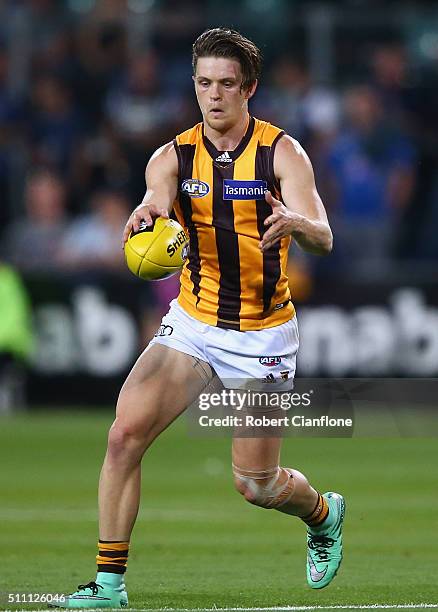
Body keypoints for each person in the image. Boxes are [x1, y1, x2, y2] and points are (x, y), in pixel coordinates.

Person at [56, 28, 343, 609]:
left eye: (227, 85)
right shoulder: (172, 156)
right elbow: (158, 199)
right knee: (123, 437)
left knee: (255, 485)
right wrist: (146, 212)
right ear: (193, 85)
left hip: (263, 333)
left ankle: (322, 512)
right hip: (192, 321)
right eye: (204, 84)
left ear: (250, 88)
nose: (214, 96)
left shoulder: (281, 152)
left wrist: (298, 226)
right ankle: (109, 586)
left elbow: (325, 238)